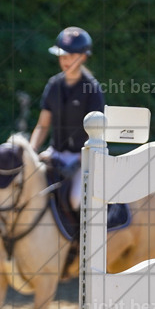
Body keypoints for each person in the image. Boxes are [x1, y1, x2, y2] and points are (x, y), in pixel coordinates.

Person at [29, 26, 105, 211]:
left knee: (75, 199)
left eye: (70, 56)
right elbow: (43, 125)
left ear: (83, 57)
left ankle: (78, 239)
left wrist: (81, 158)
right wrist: (31, 152)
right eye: (62, 56)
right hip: (55, 154)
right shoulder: (53, 84)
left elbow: (98, 131)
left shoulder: (92, 88)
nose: (65, 60)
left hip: (83, 156)